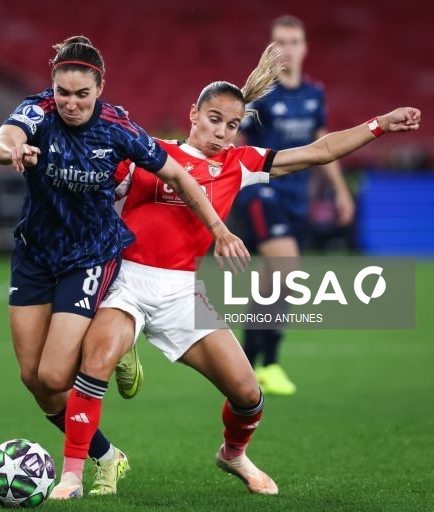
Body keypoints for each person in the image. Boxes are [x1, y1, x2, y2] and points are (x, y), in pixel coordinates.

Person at [54, 43, 421, 498]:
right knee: (96, 363)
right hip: (127, 282)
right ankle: (70, 475)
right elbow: (90, 191)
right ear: (193, 113)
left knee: (248, 395)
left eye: (232, 125)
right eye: (214, 120)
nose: (223, 133)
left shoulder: (239, 165)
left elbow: (319, 151)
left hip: (182, 293)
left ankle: (232, 454)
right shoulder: (151, 154)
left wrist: (379, 125)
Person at [0, 35, 249, 498]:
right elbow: (1, 138)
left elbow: (177, 173)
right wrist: (12, 150)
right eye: (62, 92)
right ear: (52, 87)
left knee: (54, 375)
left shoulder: (118, 126)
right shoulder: (37, 111)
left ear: (99, 88)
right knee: (35, 381)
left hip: (89, 255)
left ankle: (113, 352)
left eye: (81, 93)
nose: (70, 103)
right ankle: (108, 455)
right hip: (34, 253)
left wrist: (220, 229)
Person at [234, 15, 356, 395]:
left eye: (294, 41)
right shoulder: (263, 94)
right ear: (272, 48)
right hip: (262, 189)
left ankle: (254, 362)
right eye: (280, 41)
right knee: (286, 268)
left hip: (297, 198)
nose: (287, 48)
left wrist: (340, 191)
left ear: (304, 47)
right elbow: (237, 140)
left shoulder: (313, 94)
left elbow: (323, 144)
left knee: (278, 280)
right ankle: (264, 363)